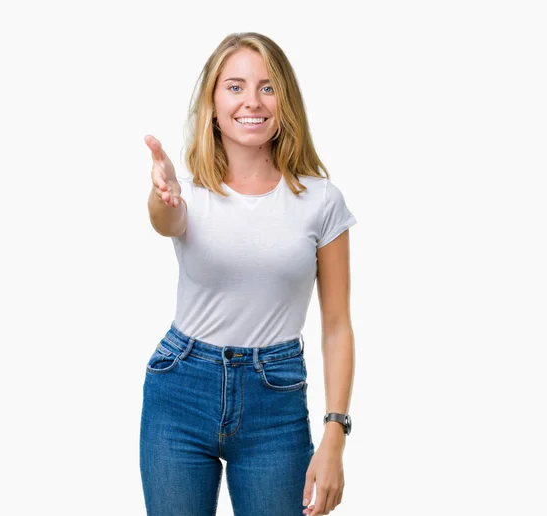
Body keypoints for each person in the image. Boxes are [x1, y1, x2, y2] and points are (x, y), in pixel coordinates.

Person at [140, 32, 357, 516]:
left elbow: (337, 325)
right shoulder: (188, 191)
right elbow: (166, 221)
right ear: (213, 103)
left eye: (267, 87)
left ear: (285, 101)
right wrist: (163, 196)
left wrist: (335, 436)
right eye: (234, 87)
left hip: (274, 401)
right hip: (180, 388)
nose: (251, 102)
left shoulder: (321, 201)